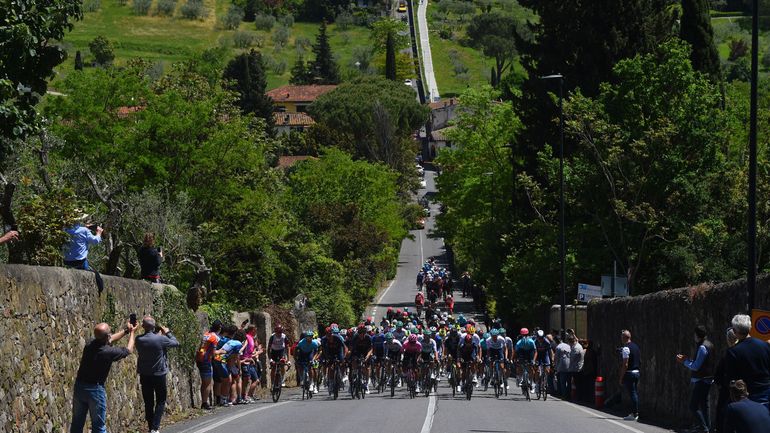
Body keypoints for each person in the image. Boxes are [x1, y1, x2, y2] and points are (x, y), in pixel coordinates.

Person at [70, 320, 136, 433]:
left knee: (77, 423)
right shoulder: (108, 352)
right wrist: (132, 333)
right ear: (107, 336)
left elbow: (110, 338)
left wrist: (126, 330)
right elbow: (128, 350)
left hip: (80, 387)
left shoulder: (89, 344)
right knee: (98, 426)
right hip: (95, 390)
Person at [135, 316, 179, 433]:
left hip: (145, 374)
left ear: (143, 326)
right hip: (159, 374)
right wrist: (167, 332)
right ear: (154, 327)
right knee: (161, 400)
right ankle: (155, 427)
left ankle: (150, 426)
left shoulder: (138, 339)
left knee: (148, 401)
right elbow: (176, 343)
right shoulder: (161, 339)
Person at [676, 325, 715, 433]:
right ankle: (707, 428)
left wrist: (683, 361)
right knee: (704, 405)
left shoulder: (702, 347)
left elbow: (696, 366)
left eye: (694, 335)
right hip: (708, 379)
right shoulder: (710, 345)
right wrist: (687, 359)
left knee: (693, 406)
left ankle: (703, 428)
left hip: (702, 380)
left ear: (697, 335)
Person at [724, 314, 770, 405]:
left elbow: (731, 377)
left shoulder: (733, 352)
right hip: (767, 390)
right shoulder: (764, 345)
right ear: (750, 327)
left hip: (748, 394)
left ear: (734, 331)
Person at [715, 327, 740, 433]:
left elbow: (719, 374)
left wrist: (720, 383)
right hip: (743, 390)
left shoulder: (729, 353)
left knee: (723, 416)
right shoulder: (744, 351)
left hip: (728, 390)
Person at [195, 320, 221, 410]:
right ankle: (204, 403)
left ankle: (204, 402)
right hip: (206, 360)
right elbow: (214, 353)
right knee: (207, 383)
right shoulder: (215, 337)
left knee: (204, 383)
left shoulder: (206, 334)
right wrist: (222, 351)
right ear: (220, 328)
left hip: (199, 358)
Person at [619, 329, 641, 421]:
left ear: (624, 338)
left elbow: (625, 364)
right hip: (637, 372)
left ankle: (634, 414)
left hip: (630, 373)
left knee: (632, 393)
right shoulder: (636, 346)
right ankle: (635, 412)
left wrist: (621, 377)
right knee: (635, 393)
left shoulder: (626, 348)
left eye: (621, 337)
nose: (620, 338)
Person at [239, 325, 261, 403]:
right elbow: (243, 350)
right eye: (255, 330)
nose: (256, 332)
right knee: (246, 380)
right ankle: (244, 396)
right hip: (245, 361)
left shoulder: (251, 338)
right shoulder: (247, 337)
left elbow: (250, 351)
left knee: (255, 380)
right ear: (252, 330)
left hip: (250, 361)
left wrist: (255, 353)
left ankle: (248, 395)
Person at [567, 334, 584, 400]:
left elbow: (572, 358)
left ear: (570, 341)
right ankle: (578, 397)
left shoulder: (576, 348)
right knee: (578, 384)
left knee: (578, 384)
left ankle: (578, 397)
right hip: (576, 368)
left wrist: (568, 354)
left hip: (576, 369)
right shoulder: (576, 346)